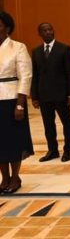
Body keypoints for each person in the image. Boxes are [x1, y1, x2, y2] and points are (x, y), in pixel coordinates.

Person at [31, 22, 70, 163]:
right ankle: (52, 150)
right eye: (44, 30)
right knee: (48, 124)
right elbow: (35, 75)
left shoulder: (63, 49)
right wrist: (34, 96)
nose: (48, 32)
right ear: (39, 34)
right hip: (44, 95)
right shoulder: (36, 52)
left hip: (61, 94)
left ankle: (67, 150)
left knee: (66, 122)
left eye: (50, 29)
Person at [0, 11, 33, 194]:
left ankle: (15, 177)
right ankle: (4, 178)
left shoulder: (18, 47)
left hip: (12, 100)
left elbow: (25, 76)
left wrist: (20, 104)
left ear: (7, 28)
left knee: (13, 141)